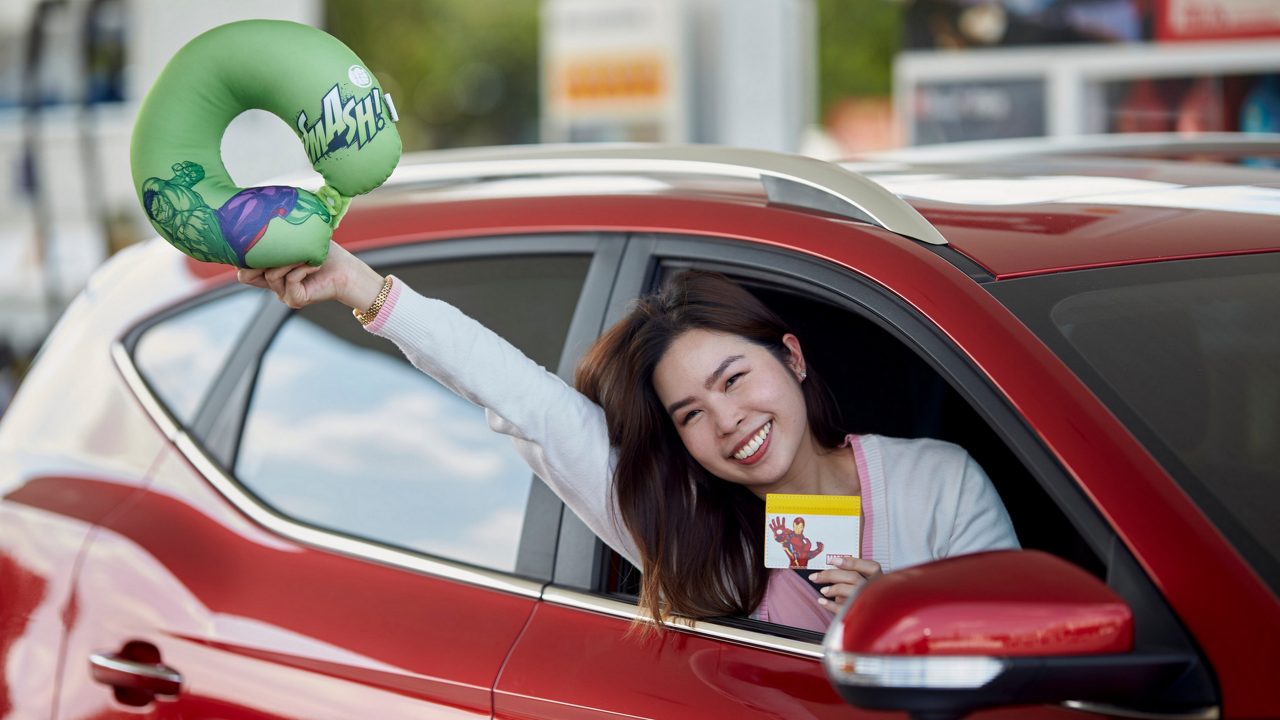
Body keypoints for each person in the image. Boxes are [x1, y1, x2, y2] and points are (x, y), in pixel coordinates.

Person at [240, 241, 1018, 633]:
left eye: (734, 379)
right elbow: (527, 401)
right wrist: (363, 291)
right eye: (689, 415)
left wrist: (903, 617)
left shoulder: (937, 483)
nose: (726, 424)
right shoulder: (684, 523)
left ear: (791, 356)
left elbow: (1029, 645)